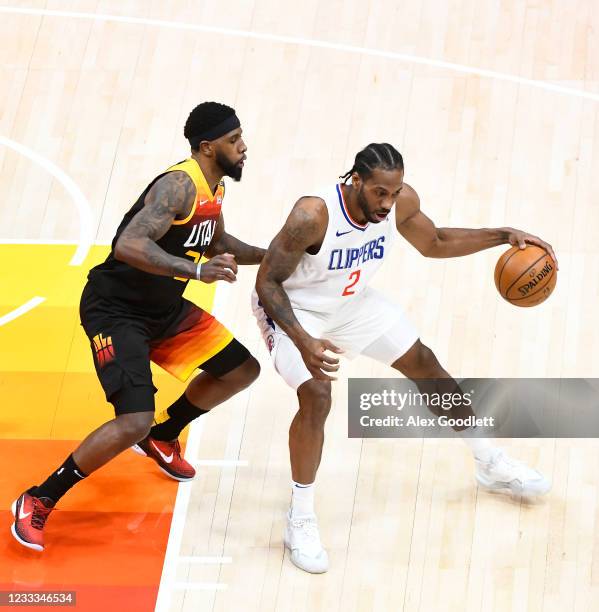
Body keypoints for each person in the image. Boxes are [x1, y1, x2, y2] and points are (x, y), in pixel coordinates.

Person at [253, 142, 557, 573]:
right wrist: (303, 339)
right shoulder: (313, 215)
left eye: (394, 193)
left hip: (349, 303)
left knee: (425, 364)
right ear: (355, 180)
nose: (387, 203)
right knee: (318, 395)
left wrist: (502, 236)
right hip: (296, 309)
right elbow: (268, 282)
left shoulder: (399, 203)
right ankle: (299, 517)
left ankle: (489, 461)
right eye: (380, 192)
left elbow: (434, 242)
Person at [11, 102, 265, 552]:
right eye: (233, 140)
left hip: (163, 310)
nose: (243, 146)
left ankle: (164, 436)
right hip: (116, 311)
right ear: (207, 147)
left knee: (242, 370)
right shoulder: (178, 186)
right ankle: (39, 498)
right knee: (132, 420)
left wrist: (277, 255)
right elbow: (128, 244)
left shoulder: (214, 187)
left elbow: (218, 241)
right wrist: (196, 272)